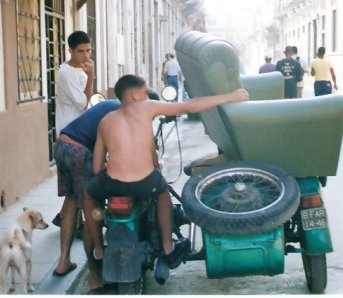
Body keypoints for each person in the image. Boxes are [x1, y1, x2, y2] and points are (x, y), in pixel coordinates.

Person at [86, 74, 249, 270]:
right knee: (163, 193)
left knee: (88, 194)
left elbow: (96, 167)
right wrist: (230, 96)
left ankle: (98, 248)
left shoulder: (105, 120)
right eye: (145, 91)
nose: (147, 95)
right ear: (136, 96)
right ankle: (168, 246)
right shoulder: (147, 107)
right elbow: (190, 105)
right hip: (144, 182)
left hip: (113, 182)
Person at [53, 100, 120, 292]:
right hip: (80, 152)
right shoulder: (124, 114)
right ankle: (95, 275)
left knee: (73, 200)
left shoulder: (110, 105)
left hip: (62, 145)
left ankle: (63, 261)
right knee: (93, 208)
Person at [53, 30, 95, 277]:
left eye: (88, 50)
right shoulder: (67, 72)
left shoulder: (78, 70)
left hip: (73, 141)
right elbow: (83, 104)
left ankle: (64, 261)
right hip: (73, 142)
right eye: (80, 51)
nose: (85, 55)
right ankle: (95, 267)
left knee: (72, 199)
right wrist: (91, 77)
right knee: (87, 199)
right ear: (70, 51)